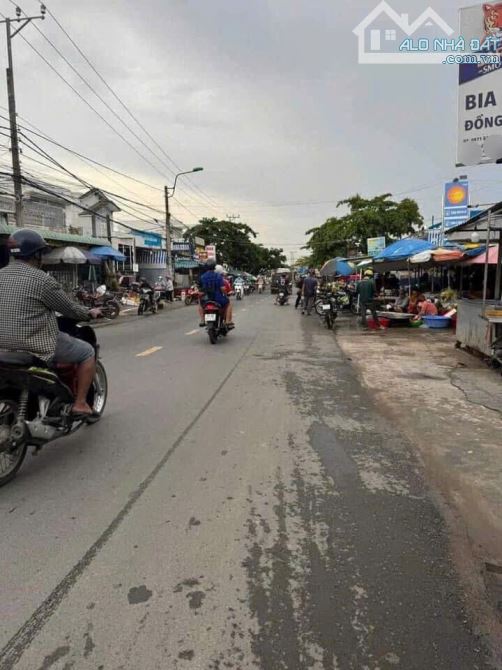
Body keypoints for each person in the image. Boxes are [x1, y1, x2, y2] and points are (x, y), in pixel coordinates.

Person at [0, 229, 101, 417]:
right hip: (34, 345)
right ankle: (80, 404)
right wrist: (89, 312)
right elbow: (69, 308)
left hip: (2, 348)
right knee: (87, 352)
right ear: (36, 254)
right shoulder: (42, 280)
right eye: (41, 254)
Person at [198, 260, 234, 328]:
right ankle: (227, 321)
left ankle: (202, 320)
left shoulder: (202, 277)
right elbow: (223, 289)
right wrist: (226, 295)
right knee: (229, 304)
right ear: (214, 267)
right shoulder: (218, 276)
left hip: (206, 299)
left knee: (200, 303)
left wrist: (201, 294)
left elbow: (200, 290)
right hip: (218, 299)